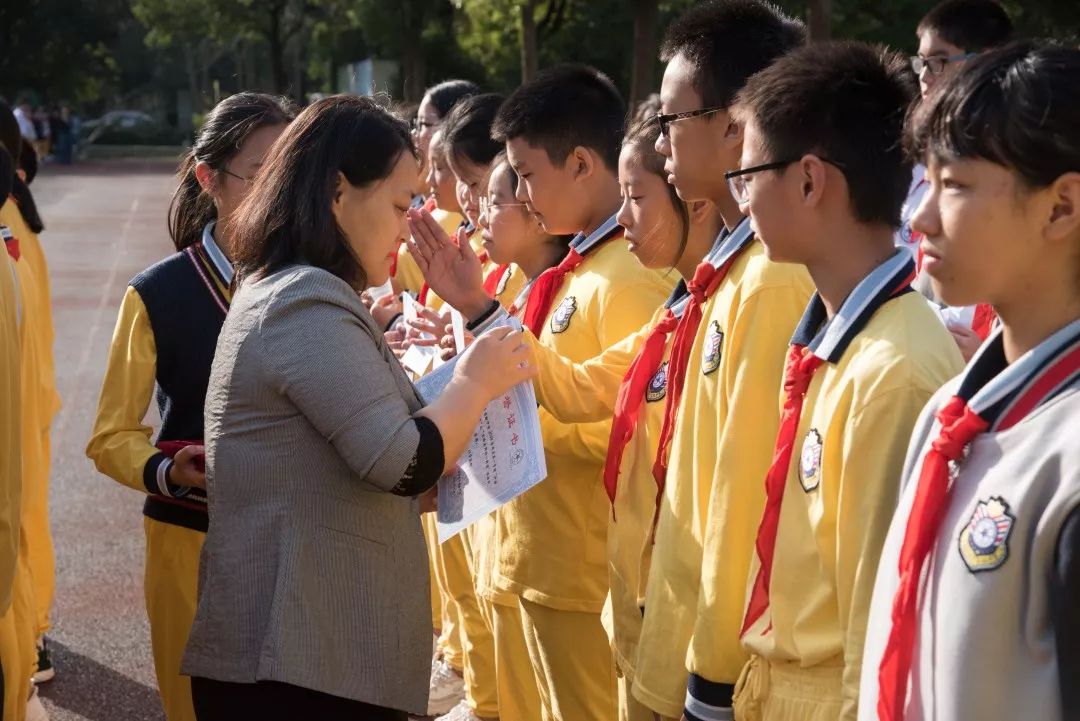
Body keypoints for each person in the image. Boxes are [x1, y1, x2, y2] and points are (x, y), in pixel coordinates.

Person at [179, 94, 535, 721]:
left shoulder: (300, 289)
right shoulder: (303, 301)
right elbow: (403, 460)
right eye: (401, 204)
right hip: (295, 666)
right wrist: (474, 382)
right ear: (338, 193)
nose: (409, 226)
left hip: (309, 659)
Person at [411, 64, 674, 721]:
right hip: (530, 559)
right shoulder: (566, 273)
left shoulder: (627, 279)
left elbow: (622, 424)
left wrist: (482, 336)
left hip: (578, 571)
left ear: (583, 164)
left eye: (526, 173)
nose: (520, 195)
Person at [712, 42, 963, 721]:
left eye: (746, 175)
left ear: (809, 180)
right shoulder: (838, 341)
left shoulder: (896, 370)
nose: (739, 198)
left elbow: (875, 625)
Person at [860, 41, 1080, 721]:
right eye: (925, 182)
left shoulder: (1067, 463)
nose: (920, 219)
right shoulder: (949, 416)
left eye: (953, 186)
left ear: (1061, 207)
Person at [622, 5, 811, 720]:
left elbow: (743, 497)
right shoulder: (727, 274)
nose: (659, 142)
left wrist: (715, 680)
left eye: (672, 121)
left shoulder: (771, 279)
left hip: (713, 658)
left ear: (735, 124)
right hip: (675, 628)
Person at [85, 93, 296, 721]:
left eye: (290, 169)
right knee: (197, 707)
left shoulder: (314, 279)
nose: (280, 190)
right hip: (188, 538)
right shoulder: (157, 293)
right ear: (209, 177)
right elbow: (110, 436)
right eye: (262, 173)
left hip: (296, 534)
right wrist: (168, 470)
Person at [897, 0, 1013, 360]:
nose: (925, 76)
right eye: (922, 62)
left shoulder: (1024, 168)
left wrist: (988, 361)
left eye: (940, 61)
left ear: (989, 59)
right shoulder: (915, 165)